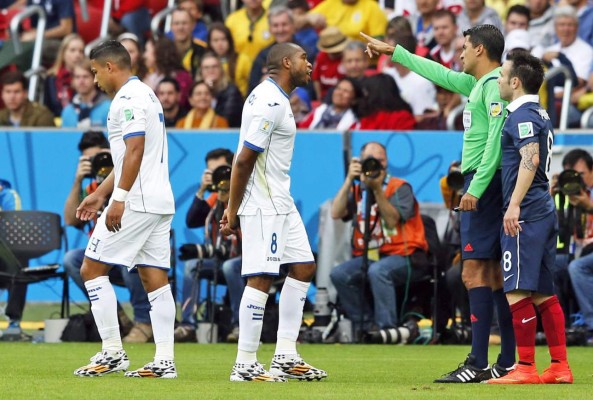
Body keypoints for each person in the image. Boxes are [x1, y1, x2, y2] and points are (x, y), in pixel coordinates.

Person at [362, 24, 516, 383]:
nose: (458, 54)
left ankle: (479, 362)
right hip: (487, 183)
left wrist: (475, 187)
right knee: (491, 274)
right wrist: (394, 52)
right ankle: (506, 360)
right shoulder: (480, 83)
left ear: (480, 50)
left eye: (464, 47)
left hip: (485, 183)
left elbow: (494, 140)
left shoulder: (493, 85)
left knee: (473, 272)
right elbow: (440, 73)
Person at [220, 42, 327, 382]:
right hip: (263, 202)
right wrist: (232, 208)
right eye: (304, 58)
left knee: (303, 266)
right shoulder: (269, 102)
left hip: (280, 199)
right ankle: (245, 363)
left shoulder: (275, 97)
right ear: (286, 62)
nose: (310, 64)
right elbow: (244, 159)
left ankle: (285, 355)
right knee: (261, 278)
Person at [73, 40, 176, 378]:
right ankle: (164, 361)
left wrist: (118, 199)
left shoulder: (128, 100)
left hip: (138, 201)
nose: (94, 79)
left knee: (90, 269)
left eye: (94, 71)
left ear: (110, 67)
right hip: (158, 200)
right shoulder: (146, 94)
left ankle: (113, 352)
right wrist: (101, 194)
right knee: (154, 278)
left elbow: (134, 151)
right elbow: (129, 157)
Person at [487, 51, 573, 384]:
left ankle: (524, 368)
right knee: (542, 293)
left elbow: (530, 159)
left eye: (502, 75)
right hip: (542, 209)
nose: (498, 80)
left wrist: (514, 205)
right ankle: (559, 366)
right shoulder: (540, 113)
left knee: (517, 290)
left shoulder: (521, 115)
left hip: (526, 211)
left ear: (515, 81)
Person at [329, 142, 429, 337]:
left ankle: (386, 329)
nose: (376, 165)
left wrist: (377, 190)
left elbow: (392, 221)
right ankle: (365, 326)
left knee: (378, 271)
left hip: (406, 255)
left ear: (386, 162)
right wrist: (350, 180)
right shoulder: (359, 190)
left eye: (380, 160)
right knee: (339, 274)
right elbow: (336, 212)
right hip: (374, 255)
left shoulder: (399, 187)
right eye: (370, 161)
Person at [63, 130, 153, 344]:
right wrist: (77, 180)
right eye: (92, 159)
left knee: (128, 257)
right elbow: (70, 220)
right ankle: (119, 317)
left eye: (103, 155)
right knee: (72, 259)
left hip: (133, 255)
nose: (100, 162)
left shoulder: (130, 177)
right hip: (105, 257)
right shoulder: (92, 188)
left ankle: (144, 323)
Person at [176, 149, 243, 342]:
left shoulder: (246, 195)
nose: (219, 177)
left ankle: (240, 325)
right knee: (191, 265)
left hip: (245, 260)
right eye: (212, 172)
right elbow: (192, 220)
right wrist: (201, 190)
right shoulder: (215, 199)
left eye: (222, 171)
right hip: (220, 259)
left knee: (230, 266)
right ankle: (188, 325)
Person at [61, 60, 111, 128]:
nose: (81, 81)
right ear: (73, 80)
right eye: (77, 77)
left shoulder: (108, 107)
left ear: (95, 78)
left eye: (85, 76)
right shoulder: (68, 111)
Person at [44, 33, 85, 116]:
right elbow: (47, 107)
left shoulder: (89, 77)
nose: (77, 55)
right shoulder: (51, 77)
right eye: (72, 50)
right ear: (63, 53)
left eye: (81, 51)